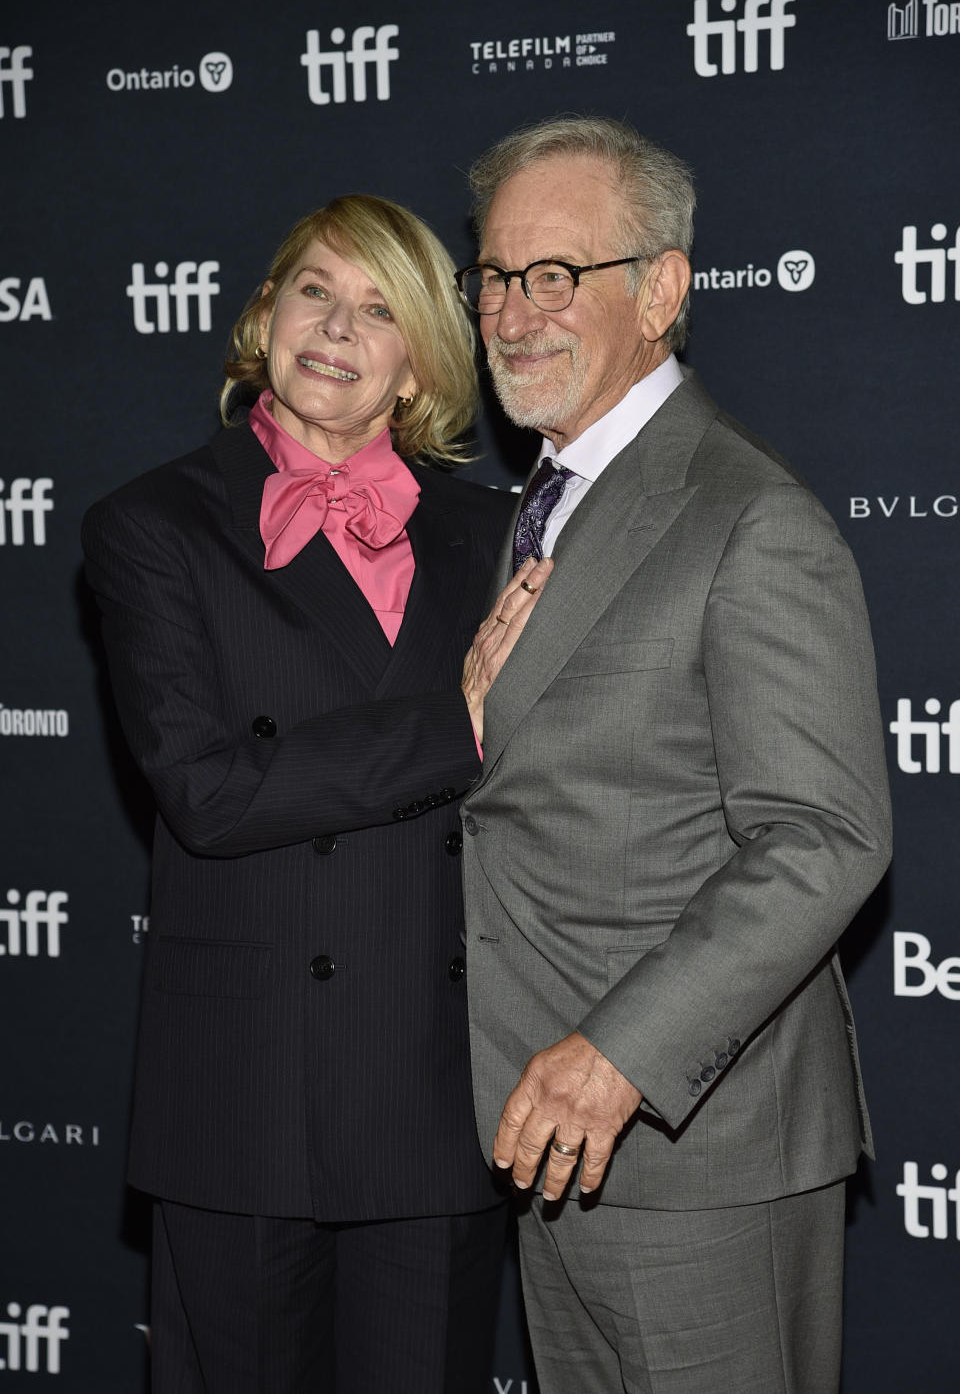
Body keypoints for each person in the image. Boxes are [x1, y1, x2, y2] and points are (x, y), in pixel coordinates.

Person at [456, 117, 892, 1394]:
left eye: (557, 276)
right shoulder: (548, 498)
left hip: (694, 1150)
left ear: (661, 290)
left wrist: (623, 1056)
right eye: (494, 276)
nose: (514, 314)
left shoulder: (748, 518)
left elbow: (824, 836)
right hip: (553, 1148)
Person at [82, 194, 529, 1394]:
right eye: (314, 290)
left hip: (441, 1087)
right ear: (266, 312)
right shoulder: (153, 525)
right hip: (244, 1093)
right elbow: (211, 793)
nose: (337, 327)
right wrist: (457, 724)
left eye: (379, 308)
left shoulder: (500, 535)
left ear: (421, 361)